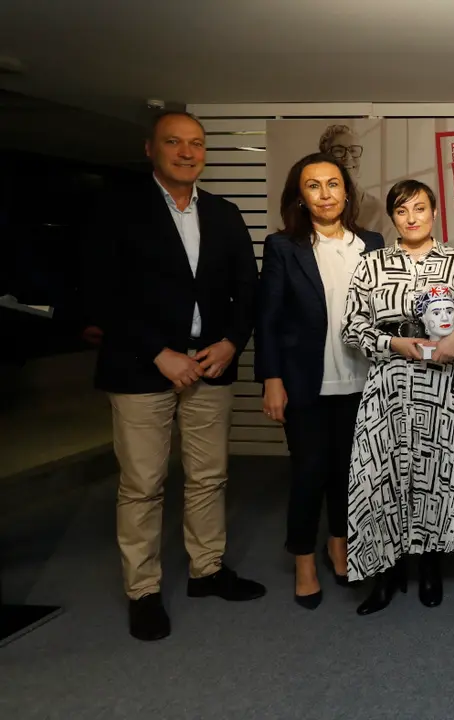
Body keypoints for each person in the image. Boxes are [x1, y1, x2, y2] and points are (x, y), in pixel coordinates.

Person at [83, 110, 264, 642]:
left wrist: (231, 342)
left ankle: (207, 570)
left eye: (196, 143)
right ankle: (142, 591)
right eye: (174, 142)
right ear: (150, 148)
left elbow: (247, 290)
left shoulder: (225, 214)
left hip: (210, 363)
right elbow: (100, 293)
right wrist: (158, 352)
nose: (187, 152)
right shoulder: (117, 209)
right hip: (141, 367)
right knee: (143, 484)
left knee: (209, 476)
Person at [342, 179, 454, 615]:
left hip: (448, 384)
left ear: (434, 212)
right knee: (381, 477)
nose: (412, 218)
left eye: (420, 208)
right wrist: (393, 343)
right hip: (391, 383)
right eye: (402, 210)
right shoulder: (372, 263)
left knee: (437, 476)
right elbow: (352, 326)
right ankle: (385, 574)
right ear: (393, 216)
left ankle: (430, 567)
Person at [256, 152, 384, 609]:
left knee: (349, 472)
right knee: (309, 473)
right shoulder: (282, 246)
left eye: (333, 184)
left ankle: (339, 543)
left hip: (363, 380)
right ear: (300, 196)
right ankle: (304, 560)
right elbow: (268, 319)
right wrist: (272, 378)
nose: (325, 194)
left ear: (346, 192)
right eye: (314, 186)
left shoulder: (371, 243)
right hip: (306, 381)